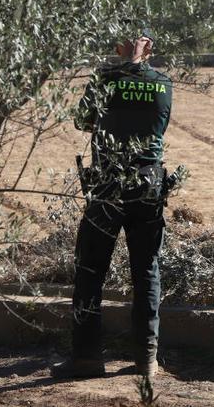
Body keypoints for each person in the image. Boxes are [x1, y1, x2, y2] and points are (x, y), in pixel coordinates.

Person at [52, 28, 173, 378]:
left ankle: (87, 356)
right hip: (148, 185)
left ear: (122, 47)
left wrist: (120, 73)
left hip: (107, 183)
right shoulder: (163, 83)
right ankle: (146, 359)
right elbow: (159, 126)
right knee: (146, 270)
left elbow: (82, 121)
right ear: (148, 49)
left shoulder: (104, 79)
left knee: (91, 270)